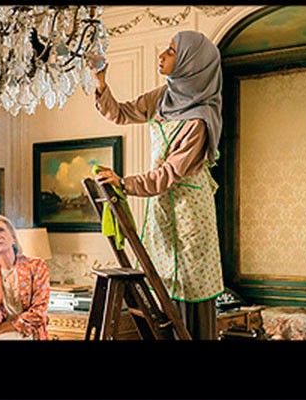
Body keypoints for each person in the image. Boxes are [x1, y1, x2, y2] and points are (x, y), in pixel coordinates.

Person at [90, 30, 225, 340]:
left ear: (192, 63)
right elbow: (121, 113)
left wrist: (124, 183)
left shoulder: (199, 121)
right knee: (161, 283)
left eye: (172, 51)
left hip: (190, 212)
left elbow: (167, 174)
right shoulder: (163, 97)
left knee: (188, 289)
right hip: (162, 207)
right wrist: (100, 83)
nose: (161, 55)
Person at [0, 214, 51, 340]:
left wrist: (3, 328)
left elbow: (38, 313)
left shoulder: (36, 266)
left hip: (31, 334)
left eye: (1, 230)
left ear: (13, 237)